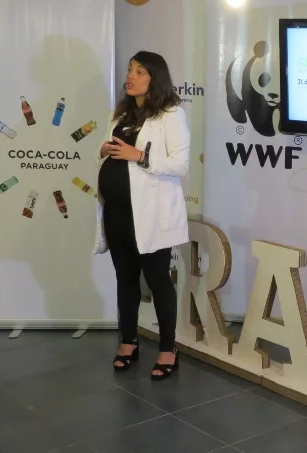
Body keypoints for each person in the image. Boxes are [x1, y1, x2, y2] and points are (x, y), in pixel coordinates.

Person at [94, 51, 189, 380]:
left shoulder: (171, 115)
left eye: (139, 71)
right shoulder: (120, 113)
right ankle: (128, 341)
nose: (130, 76)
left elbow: (180, 164)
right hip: (117, 213)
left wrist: (139, 155)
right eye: (129, 70)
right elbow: (107, 152)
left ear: (154, 78)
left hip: (150, 215)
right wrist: (103, 151)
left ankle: (168, 349)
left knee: (158, 280)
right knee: (125, 278)